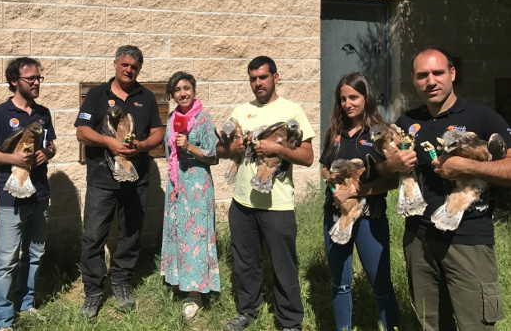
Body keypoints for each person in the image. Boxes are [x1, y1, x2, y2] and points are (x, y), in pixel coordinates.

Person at [379, 47, 511, 330]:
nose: (431, 81)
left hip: (468, 241)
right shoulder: (408, 122)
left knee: (474, 324)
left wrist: (467, 167)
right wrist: (393, 164)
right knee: (431, 323)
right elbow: (385, 173)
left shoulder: (482, 117)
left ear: (452, 74)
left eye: (438, 72)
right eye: (422, 75)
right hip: (418, 239)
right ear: (414, 80)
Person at [218, 56, 315, 331]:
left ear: (275, 76)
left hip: (278, 205)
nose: (257, 83)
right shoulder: (240, 111)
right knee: (245, 263)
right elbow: (220, 149)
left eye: (262, 77)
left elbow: (308, 157)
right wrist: (234, 148)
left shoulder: (292, 110)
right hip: (242, 203)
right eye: (253, 78)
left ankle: (290, 322)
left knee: (284, 266)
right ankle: (247, 311)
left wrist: (278, 150)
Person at [75, 45, 165, 318]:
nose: (129, 70)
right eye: (125, 64)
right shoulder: (96, 95)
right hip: (102, 179)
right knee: (93, 235)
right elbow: (82, 131)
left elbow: (158, 132)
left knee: (131, 233)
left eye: (134, 67)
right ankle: (93, 290)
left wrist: (141, 146)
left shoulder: (146, 97)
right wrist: (109, 142)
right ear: (115, 64)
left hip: (136, 179)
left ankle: (121, 282)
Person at [0, 57, 57, 331]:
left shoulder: (43, 113)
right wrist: (13, 158)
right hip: (10, 198)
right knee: (7, 260)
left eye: (39, 78)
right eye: (31, 79)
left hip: (40, 195)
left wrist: (45, 153)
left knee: (35, 254)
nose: (37, 82)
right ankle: (3, 319)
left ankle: (26, 305)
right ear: (15, 81)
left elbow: (52, 146)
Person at [320, 73, 399, 331]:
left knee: (380, 285)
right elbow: (323, 166)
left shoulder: (379, 133)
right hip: (335, 214)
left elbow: (392, 182)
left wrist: (356, 191)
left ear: (367, 98)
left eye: (353, 97)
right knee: (339, 283)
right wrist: (331, 179)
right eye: (342, 99)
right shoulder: (335, 131)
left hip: (369, 218)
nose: (347, 103)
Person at [160, 71, 220, 320]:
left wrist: (190, 147)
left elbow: (214, 156)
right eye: (177, 90)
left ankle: (195, 293)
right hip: (177, 184)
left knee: (195, 237)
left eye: (187, 88)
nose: (182, 93)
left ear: (194, 91)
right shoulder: (173, 117)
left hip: (197, 187)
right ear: (172, 95)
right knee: (178, 232)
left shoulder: (204, 119)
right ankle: (179, 280)